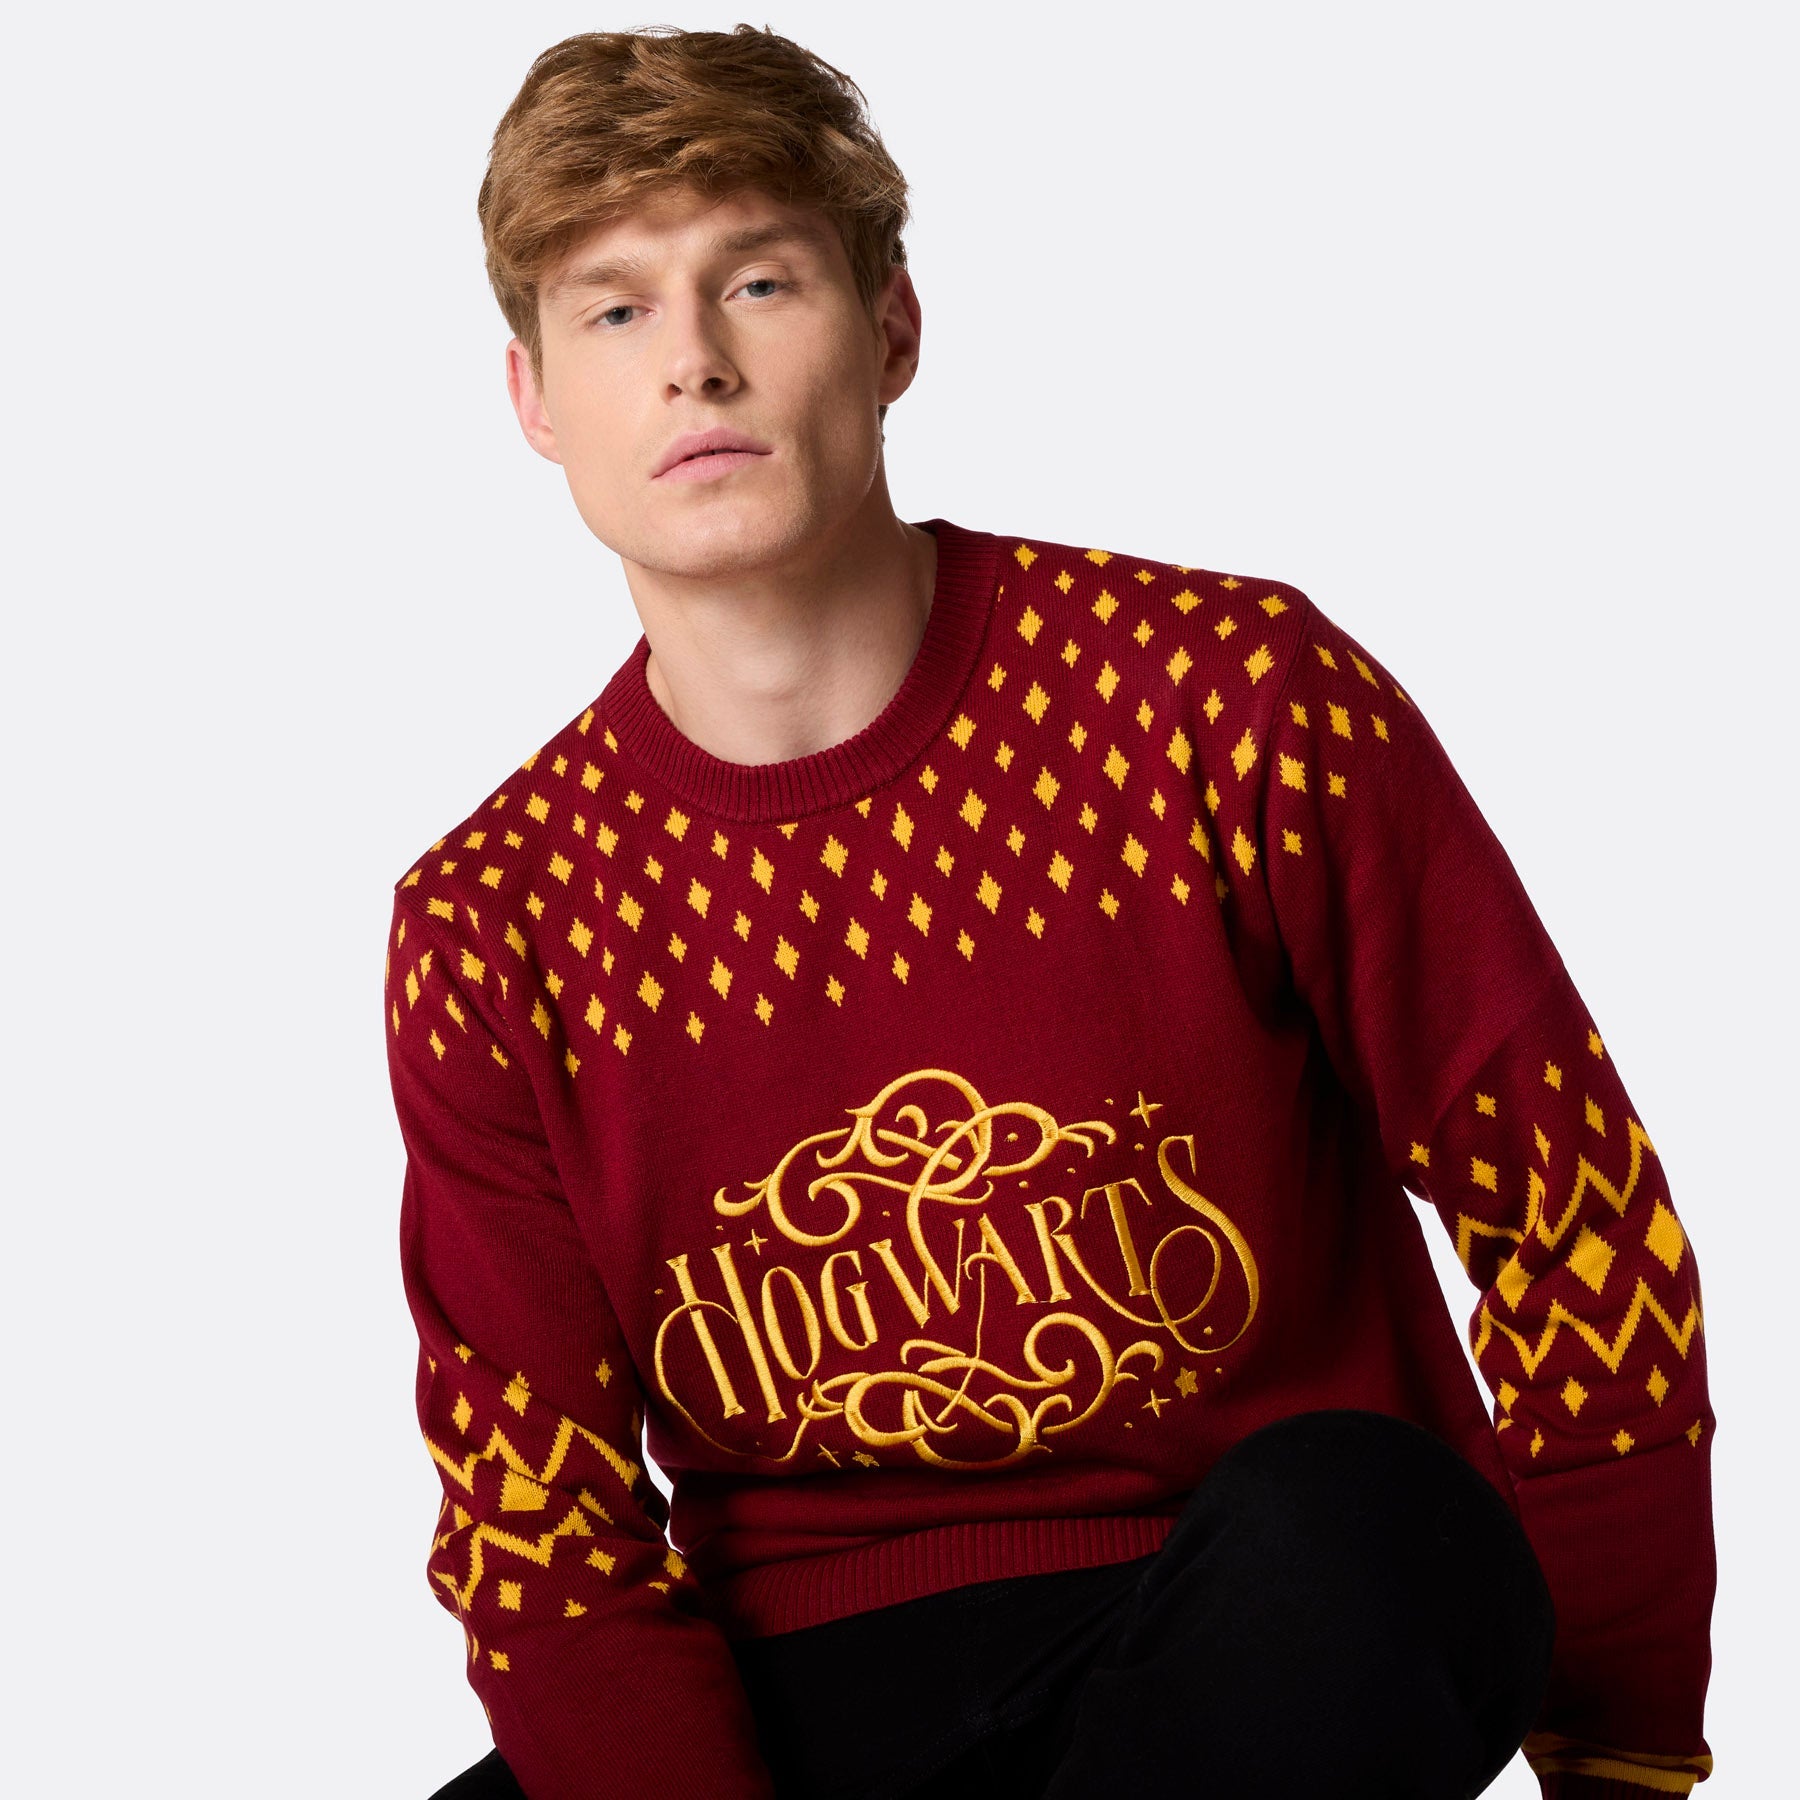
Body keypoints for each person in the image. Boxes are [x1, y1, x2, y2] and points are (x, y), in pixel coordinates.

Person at [382, 24, 1715, 1800]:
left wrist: (1618, 1751)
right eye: (614, 310)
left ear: (892, 329)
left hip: (1254, 1624)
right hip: (811, 1696)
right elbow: (542, 1536)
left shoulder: (1236, 701)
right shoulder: (492, 925)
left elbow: (1569, 1208)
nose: (692, 360)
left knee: (1371, 1522)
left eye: (758, 279)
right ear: (536, 401)